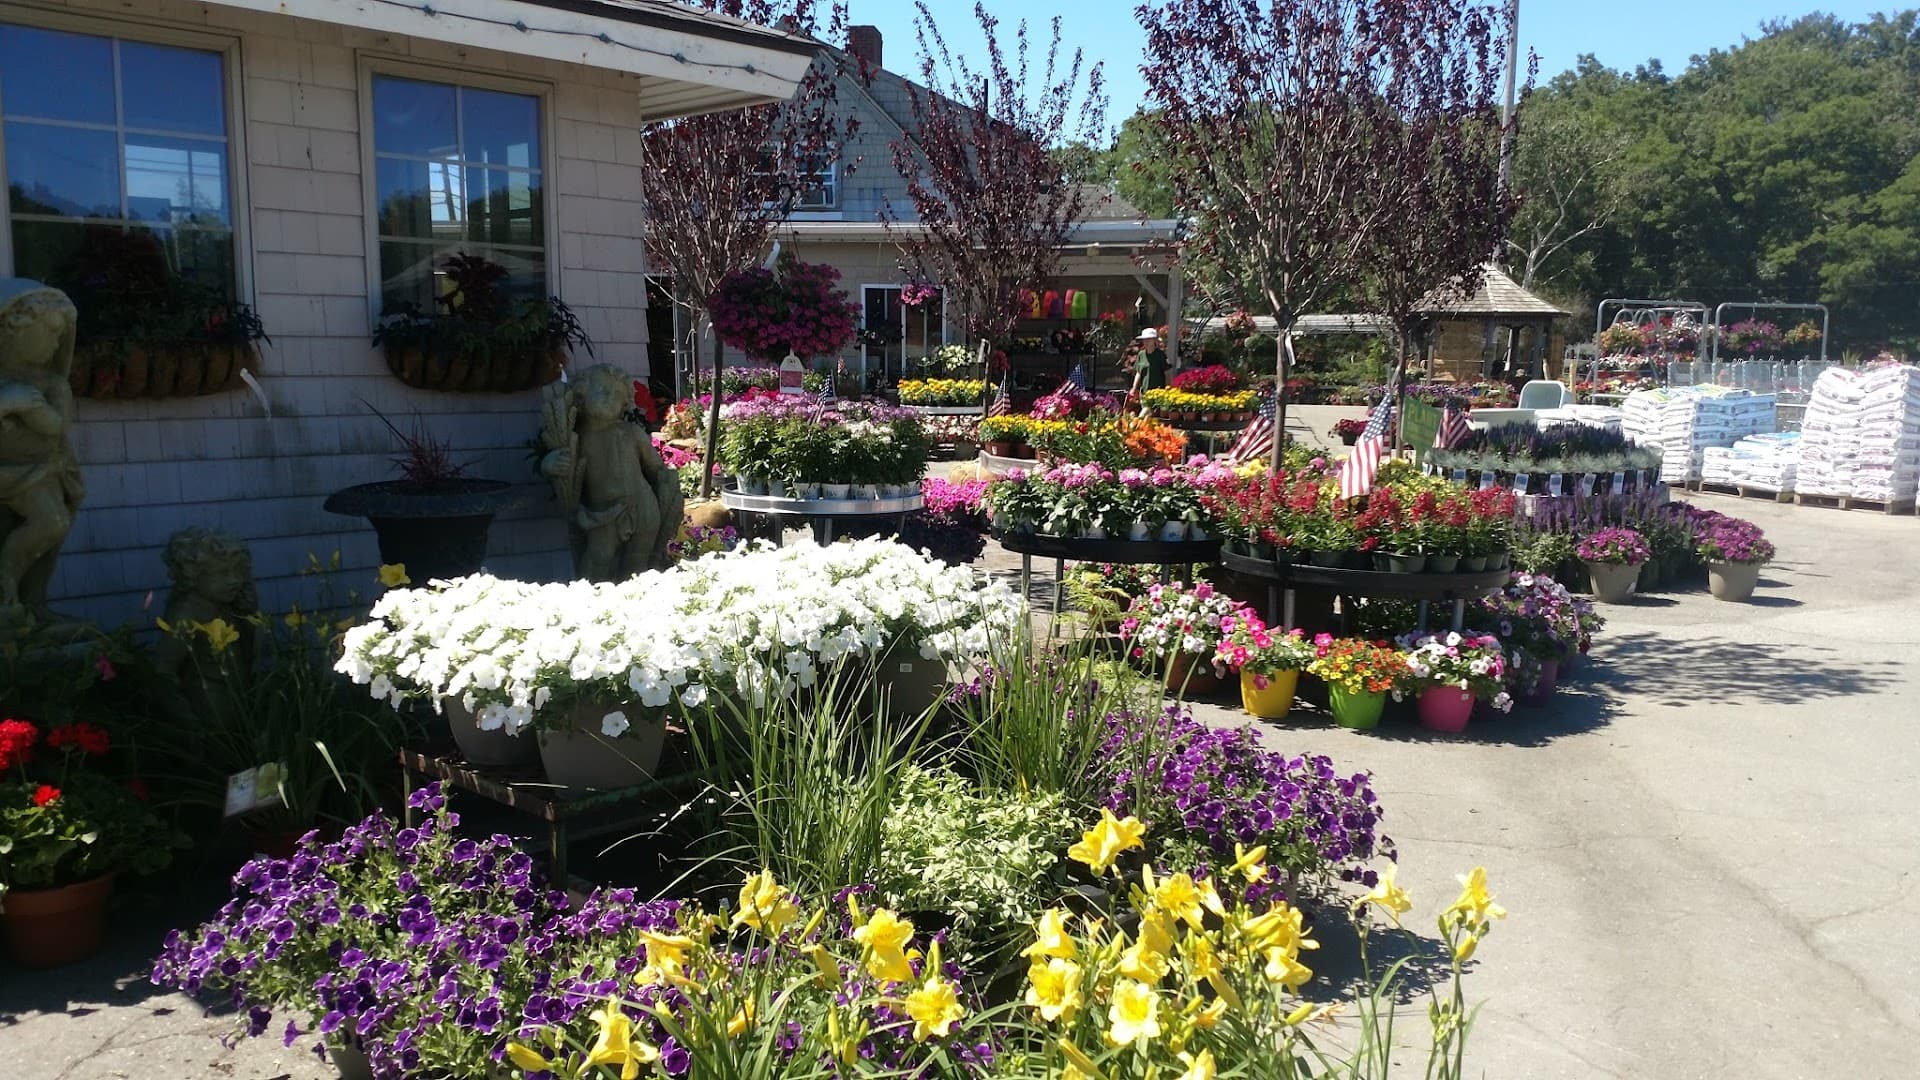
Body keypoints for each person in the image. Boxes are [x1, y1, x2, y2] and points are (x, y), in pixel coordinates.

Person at [1128, 327, 1169, 398]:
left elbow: (1167, 372)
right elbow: (1138, 372)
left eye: (1149, 339)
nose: (1146, 342)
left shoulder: (1160, 355)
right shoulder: (1141, 354)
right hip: (1144, 392)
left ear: (1154, 340)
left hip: (1158, 392)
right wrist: (1134, 388)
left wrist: (1168, 389)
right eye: (1144, 340)